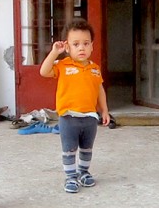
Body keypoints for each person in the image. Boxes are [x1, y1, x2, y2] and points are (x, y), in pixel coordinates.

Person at [40, 19, 110, 193]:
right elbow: (43, 71)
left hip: (90, 118)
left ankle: (84, 173)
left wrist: (105, 110)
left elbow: (99, 89)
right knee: (69, 149)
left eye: (86, 44)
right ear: (68, 47)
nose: (81, 48)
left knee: (87, 148)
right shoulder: (63, 65)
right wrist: (55, 53)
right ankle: (71, 177)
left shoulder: (95, 69)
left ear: (92, 46)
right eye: (76, 44)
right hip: (68, 118)